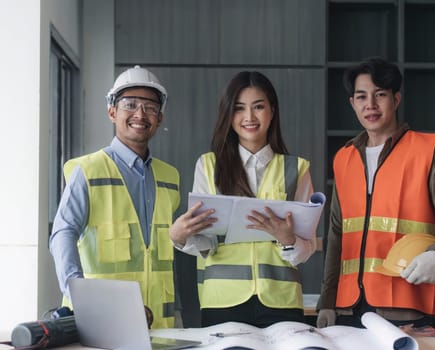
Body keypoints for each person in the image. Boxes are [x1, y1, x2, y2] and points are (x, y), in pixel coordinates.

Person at [316, 58, 435, 328]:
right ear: (352, 103)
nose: (371, 105)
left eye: (380, 95)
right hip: (348, 308)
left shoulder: (426, 152)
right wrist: (327, 302)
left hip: (405, 305)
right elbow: (337, 235)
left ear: (396, 99)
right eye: (362, 96)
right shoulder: (344, 159)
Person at [169, 71, 317, 328]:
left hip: (281, 302)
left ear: (272, 110)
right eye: (239, 109)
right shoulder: (208, 165)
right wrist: (181, 237)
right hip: (222, 302)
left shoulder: (297, 169)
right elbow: (207, 245)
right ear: (228, 114)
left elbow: (307, 249)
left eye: (258, 107)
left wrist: (289, 240)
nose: (249, 117)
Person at [49, 65, 185, 329]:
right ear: (112, 112)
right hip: (104, 322)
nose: (140, 114)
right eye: (130, 104)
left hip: (161, 326)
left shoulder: (170, 176)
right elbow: (62, 234)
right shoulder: (87, 171)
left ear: (160, 118)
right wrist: (83, 297)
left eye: (150, 107)